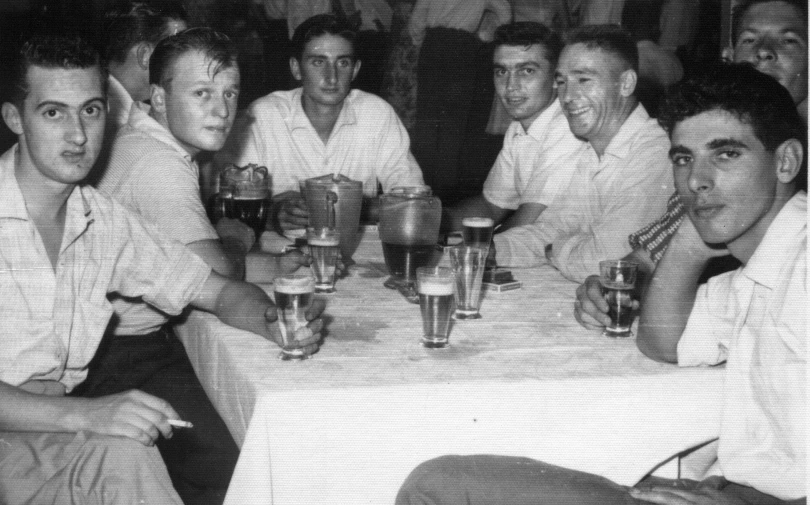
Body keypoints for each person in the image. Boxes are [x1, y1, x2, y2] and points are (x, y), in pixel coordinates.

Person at [396, 62, 806, 505]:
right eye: (684, 158)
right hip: (722, 489)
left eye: (726, 154)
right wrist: (688, 242)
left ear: (785, 161)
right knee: (439, 481)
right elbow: (663, 342)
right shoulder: (760, 269)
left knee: (437, 489)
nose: (696, 180)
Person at [0, 33, 323, 505]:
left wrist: (273, 321)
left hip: (45, 434)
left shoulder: (99, 220)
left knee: (215, 463)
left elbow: (215, 290)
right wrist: (88, 415)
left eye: (90, 110)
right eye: (54, 112)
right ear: (15, 119)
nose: (77, 134)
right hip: (30, 429)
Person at [91, 27, 311, 504]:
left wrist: (275, 263)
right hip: (114, 359)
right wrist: (242, 238)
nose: (222, 109)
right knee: (242, 464)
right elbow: (217, 268)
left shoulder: (147, 143)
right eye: (201, 93)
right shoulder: (158, 163)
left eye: (230, 92)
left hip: (134, 342)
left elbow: (199, 263)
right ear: (160, 98)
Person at [609, 0, 807, 283]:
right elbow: (650, 257)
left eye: (788, 40)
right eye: (749, 40)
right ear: (730, 56)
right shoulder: (708, 150)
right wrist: (616, 285)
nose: (763, 52)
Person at [489, 25, 672, 282]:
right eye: (562, 82)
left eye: (584, 80)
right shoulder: (591, 149)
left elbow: (610, 263)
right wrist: (491, 249)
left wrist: (556, 249)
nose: (567, 97)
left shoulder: (654, 154)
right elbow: (552, 227)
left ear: (626, 83)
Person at [216, 13, 424, 233]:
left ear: (355, 70)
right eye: (318, 62)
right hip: (282, 255)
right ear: (296, 68)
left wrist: (348, 205)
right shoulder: (264, 116)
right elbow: (228, 209)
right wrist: (273, 215)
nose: (331, 76)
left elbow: (415, 202)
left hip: (357, 254)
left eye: (342, 62)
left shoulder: (376, 114)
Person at [445, 22, 583, 233]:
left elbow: (530, 221)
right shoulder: (519, 126)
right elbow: (491, 206)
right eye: (501, 71)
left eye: (526, 71)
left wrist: (477, 246)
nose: (510, 86)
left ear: (557, 79)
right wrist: (433, 222)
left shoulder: (567, 126)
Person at [407, 0, 511, 201]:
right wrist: (485, 35)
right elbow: (504, 13)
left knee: (427, 117)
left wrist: (422, 40)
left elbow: (418, 18)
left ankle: (419, 184)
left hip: (433, 43)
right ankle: (445, 190)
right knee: (454, 119)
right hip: (462, 46)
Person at [101, 0, 188, 131]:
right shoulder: (117, 125)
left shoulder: (131, 112)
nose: (188, 63)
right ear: (146, 56)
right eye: (179, 51)